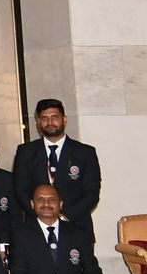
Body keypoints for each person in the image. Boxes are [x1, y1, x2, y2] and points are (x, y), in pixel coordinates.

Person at [12, 98, 101, 238]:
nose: (50, 122)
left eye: (54, 117)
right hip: (35, 230)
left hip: (76, 227)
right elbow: (20, 191)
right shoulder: (25, 152)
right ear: (38, 122)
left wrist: (63, 217)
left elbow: (92, 194)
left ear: (64, 119)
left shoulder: (85, 152)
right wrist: (43, 218)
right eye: (44, 118)